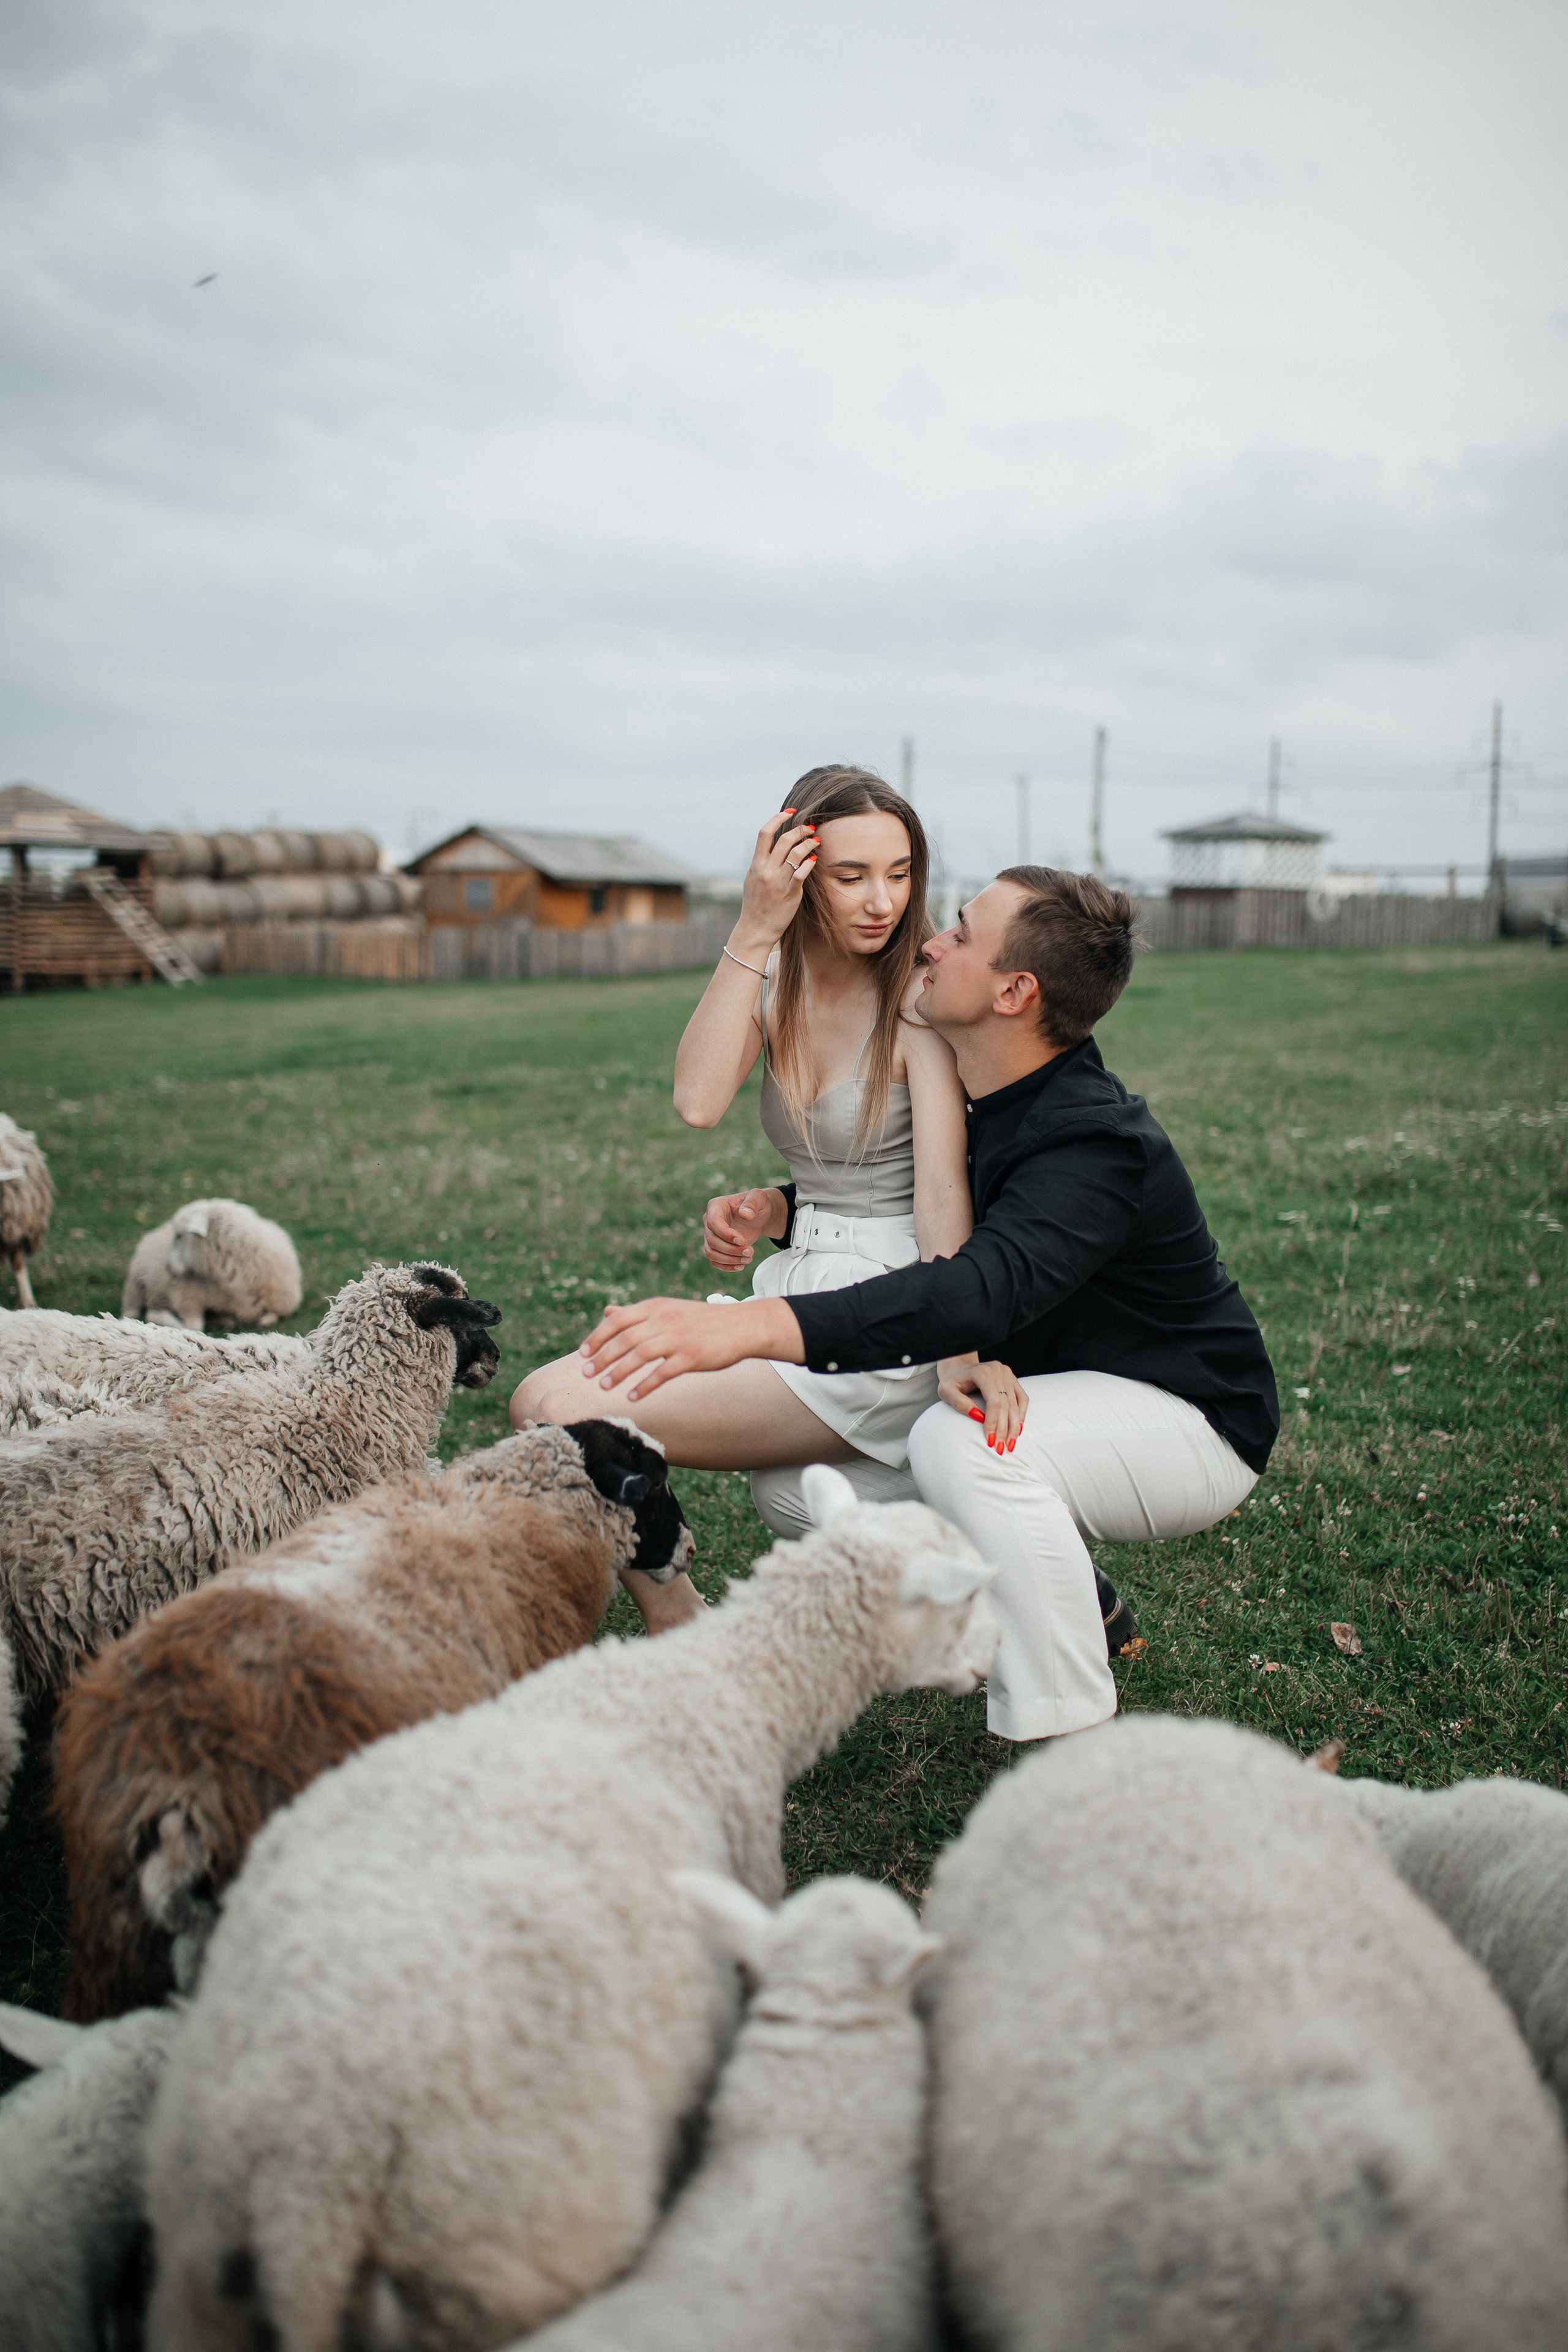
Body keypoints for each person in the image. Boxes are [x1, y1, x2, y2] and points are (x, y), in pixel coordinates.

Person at [571, 865, 1280, 1743]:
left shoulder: (1096, 1143)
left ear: (1015, 992)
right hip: (1064, 1391)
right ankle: (1040, 1604)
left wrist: (741, 1326)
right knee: (799, 1491)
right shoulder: (987, 1087)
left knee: (962, 1441)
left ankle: (1074, 1738)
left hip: (1191, 1415)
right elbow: (922, 1202)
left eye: (961, 935)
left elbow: (976, 1284)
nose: (931, 940)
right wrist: (781, 1210)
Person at [511, 766, 1022, 1632]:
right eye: (851, 874)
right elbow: (698, 1101)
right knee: (535, 1403)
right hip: (796, 1283)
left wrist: (956, 1349)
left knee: (564, 1412)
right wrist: (753, 925)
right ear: (796, 869)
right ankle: (691, 1621)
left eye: (900, 873)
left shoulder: (918, 1000)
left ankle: (683, 1629)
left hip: (888, 1312)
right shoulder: (776, 975)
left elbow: (939, 1192)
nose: (882, 901)